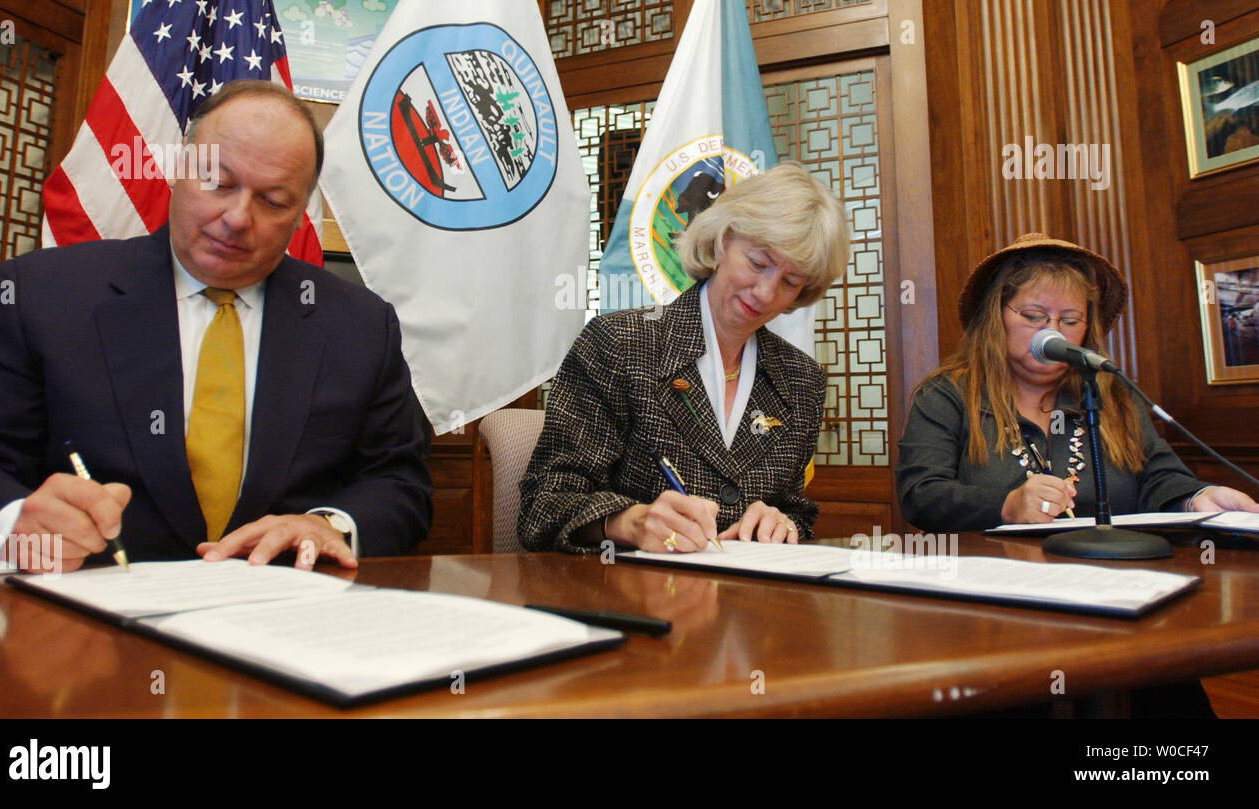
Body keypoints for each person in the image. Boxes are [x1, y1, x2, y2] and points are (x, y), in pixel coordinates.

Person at [0, 81, 431, 573]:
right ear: (178, 171)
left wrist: (329, 526)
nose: (236, 218)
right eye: (218, 183)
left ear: (300, 217)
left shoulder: (361, 325)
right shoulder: (44, 295)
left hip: (281, 622)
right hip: (83, 621)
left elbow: (398, 482)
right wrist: (13, 523)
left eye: (272, 201)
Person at [518, 163, 849, 554]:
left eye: (789, 283)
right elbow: (543, 506)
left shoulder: (800, 379)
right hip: (632, 598)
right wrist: (631, 522)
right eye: (758, 263)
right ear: (723, 240)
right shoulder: (620, 345)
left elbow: (797, 512)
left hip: (753, 604)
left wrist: (781, 523)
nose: (764, 292)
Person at [897, 233, 1257, 532]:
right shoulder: (948, 394)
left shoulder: (1111, 393)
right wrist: (1005, 505)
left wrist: (1196, 498)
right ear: (997, 317)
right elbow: (921, 494)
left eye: (1070, 320)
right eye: (1034, 316)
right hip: (991, 588)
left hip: (1107, 581)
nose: (1052, 331)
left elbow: (1156, 475)